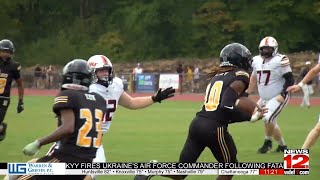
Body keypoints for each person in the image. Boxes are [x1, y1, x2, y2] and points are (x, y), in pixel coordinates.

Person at [134, 43, 267, 180]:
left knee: (181, 172)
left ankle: (152, 167)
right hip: (214, 128)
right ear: (239, 60)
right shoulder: (241, 75)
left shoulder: (217, 76)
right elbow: (226, 104)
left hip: (198, 124)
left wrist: (247, 116)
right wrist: (249, 115)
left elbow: (222, 109)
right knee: (230, 167)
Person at [15, 59, 107, 180]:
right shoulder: (99, 100)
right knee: (17, 169)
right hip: (85, 165)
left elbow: (68, 128)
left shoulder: (68, 95)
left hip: (64, 162)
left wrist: (39, 143)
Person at [246, 36, 294, 153]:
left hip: (278, 96)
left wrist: (283, 94)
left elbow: (290, 79)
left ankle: (267, 143)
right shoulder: (256, 60)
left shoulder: (280, 60)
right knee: (258, 119)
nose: (266, 51)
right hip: (264, 98)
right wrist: (247, 92)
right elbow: (253, 78)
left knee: (267, 118)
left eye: (269, 49)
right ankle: (282, 146)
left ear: (275, 49)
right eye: (264, 49)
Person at [287, 61, 320, 149]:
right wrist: (300, 85)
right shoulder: (305, 70)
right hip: (305, 84)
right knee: (318, 129)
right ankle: (299, 156)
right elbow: (315, 70)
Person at [0, 39, 24, 141]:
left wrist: (20, 102)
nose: (5, 54)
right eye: (3, 51)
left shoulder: (14, 66)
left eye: (8, 52)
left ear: (11, 53)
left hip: (3, 99)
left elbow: (20, 84)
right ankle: (1, 127)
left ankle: (1, 127)